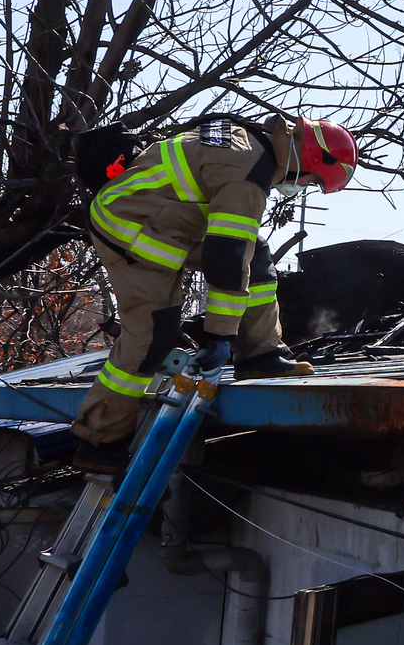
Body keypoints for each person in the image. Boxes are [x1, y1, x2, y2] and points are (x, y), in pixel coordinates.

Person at [71, 114, 359, 473]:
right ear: (310, 160)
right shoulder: (247, 170)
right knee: (152, 336)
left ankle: (259, 355)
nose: (300, 187)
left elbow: (234, 249)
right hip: (128, 228)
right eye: (312, 181)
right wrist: (219, 335)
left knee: (257, 258)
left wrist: (224, 333)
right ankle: (98, 441)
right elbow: (226, 256)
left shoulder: (250, 141)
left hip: (168, 222)